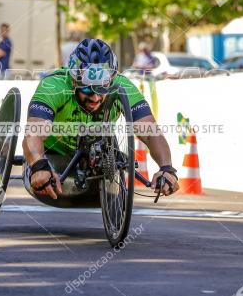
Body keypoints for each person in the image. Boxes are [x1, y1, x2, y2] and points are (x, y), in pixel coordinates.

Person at [21, 38, 178, 207]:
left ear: (111, 80)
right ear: (74, 81)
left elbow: (149, 132)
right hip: (54, 154)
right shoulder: (54, 85)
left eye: (102, 87)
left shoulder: (122, 86)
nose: (95, 97)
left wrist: (167, 168)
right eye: (87, 88)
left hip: (97, 152)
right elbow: (34, 132)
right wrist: (38, 164)